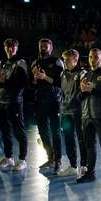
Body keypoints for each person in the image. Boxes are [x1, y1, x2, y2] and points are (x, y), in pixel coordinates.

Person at [76, 48, 101, 184]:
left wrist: (93, 89)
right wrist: (83, 91)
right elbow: (79, 97)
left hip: (100, 115)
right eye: (91, 57)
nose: (93, 60)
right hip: (86, 116)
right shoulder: (85, 75)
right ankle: (90, 173)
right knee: (89, 146)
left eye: (96, 57)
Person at [0, 38, 28, 171]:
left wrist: (4, 80)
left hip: (14, 101)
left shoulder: (20, 62)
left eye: (13, 47)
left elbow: (23, 83)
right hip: (1, 101)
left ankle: (22, 159)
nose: (10, 49)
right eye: (8, 46)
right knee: (4, 131)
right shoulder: (1, 63)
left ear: (17, 48)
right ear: (5, 48)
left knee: (19, 131)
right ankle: (9, 157)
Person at [31, 38, 64, 173]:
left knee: (55, 132)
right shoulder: (35, 63)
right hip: (40, 101)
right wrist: (35, 77)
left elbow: (60, 82)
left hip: (54, 101)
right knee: (43, 132)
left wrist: (44, 77)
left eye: (46, 46)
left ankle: (58, 161)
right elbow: (32, 84)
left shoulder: (57, 61)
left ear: (51, 48)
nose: (43, 47)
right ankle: (50, 158)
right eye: (41, 46)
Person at [57, 49, 86, 177]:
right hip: (66, 112)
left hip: (79, 112)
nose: (65, 62)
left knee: (81, 139)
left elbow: (84, 93)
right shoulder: (63, 73)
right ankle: (73, 166)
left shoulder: (82, 73)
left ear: (75, 60)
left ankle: (84, 166)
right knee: (69, 139)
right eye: (64, 60)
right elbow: (62, 92)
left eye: (67, 60)